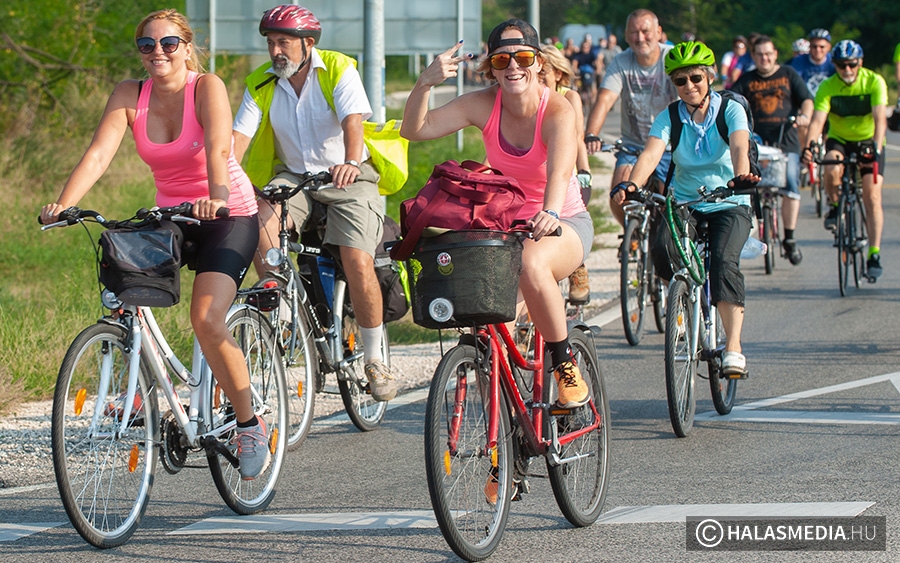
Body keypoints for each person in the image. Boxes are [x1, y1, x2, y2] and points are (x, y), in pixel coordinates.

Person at [40, 9, 270, 480]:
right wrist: (62, 205)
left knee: (205, 317)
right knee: (124, 286)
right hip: (172, 215)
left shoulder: (207, 87)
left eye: (168, 43)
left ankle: (249, 424)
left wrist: (217, 198)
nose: (157, 53)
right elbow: (100, 153)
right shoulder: (130, 94)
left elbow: (218, 148)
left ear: (186, 47)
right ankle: (140, 386)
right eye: (147, 46)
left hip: (228, 213)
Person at [400, 19, 594, 408]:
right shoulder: (483, 103)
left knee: (532, 264)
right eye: (502, 60)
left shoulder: (556, 109)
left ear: (539, 63)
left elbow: (559, 171)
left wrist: (551, 211)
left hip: (563, 222)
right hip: (508, 226)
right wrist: (425, 84)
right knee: (487, 330)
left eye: (522, 57)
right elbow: (415, 129)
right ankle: (504, 448)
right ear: (491, 67)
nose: (513, 68)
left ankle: (564, 365)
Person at [232, 4, 397, 401]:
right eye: (271, 43)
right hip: (294, 176)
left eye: (283, 42)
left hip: (346, 173)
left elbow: (352, 122)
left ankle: (375, 358)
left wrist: (351, 162)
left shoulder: (338, 68)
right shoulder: (261, 82)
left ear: (307, 44)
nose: (276, 51)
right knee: (258, 219)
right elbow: (236, 142)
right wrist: (225, 185)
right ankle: (282, 304)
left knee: (357, 257)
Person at [612, 41, 758, 377]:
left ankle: (733, 347)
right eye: (680, 81)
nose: (689, 86)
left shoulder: (730, 109)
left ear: (709, 77)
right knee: (662, 248)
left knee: (723, 262)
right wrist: (632, 183)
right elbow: (650, 154)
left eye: (695, 78)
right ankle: (678, 304)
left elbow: (739, 144)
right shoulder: (670, 117)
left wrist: (741, 175)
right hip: (687, 201)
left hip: (729, 201)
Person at [584, 9, 679, 227]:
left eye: (645, 31)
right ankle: (633, 235)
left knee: (671, 205)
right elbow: (605, 99)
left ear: (658, 32)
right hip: (634, 146)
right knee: (619, 196)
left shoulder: (671, 57)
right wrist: (591, 134)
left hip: (670, 147)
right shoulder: (622, 61)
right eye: (634, 32)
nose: (640, 37)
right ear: (626, 36)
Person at [802, 40, 887, 279]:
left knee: (872, 195)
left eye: (851, 65)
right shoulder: (828, 86)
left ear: (859, 63)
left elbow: (881, 119)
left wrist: (877, 148)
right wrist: (809, 146)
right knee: (830, 166)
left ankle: (874, 253)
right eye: (841, 65)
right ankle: (836, 205)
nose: (847, 70)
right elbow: (818, 121)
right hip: (839, 139)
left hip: (868, 140)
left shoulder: (874, 81)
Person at [731, 35, 813, 266]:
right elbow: (731, 100)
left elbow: (806, 99)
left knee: (790, 182)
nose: (764, 58)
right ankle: (746, 233)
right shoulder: (746, 80)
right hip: (756, 139)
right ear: (753, 56)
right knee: (745, 182)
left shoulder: (788, 75)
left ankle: (790, 237)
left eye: (768, 54)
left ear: (775, 53)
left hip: (785, 138)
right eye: (759, 54)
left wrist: (805, 116)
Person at [539, 44, 593, 303]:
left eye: (544, 72)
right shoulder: (527, 99)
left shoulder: (569, 97)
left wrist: (585, 170)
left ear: (558, 74)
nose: (539, 79)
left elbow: (578, 137)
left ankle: (576, 267)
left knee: (564, 223)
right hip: (535, 174)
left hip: (565, 171)